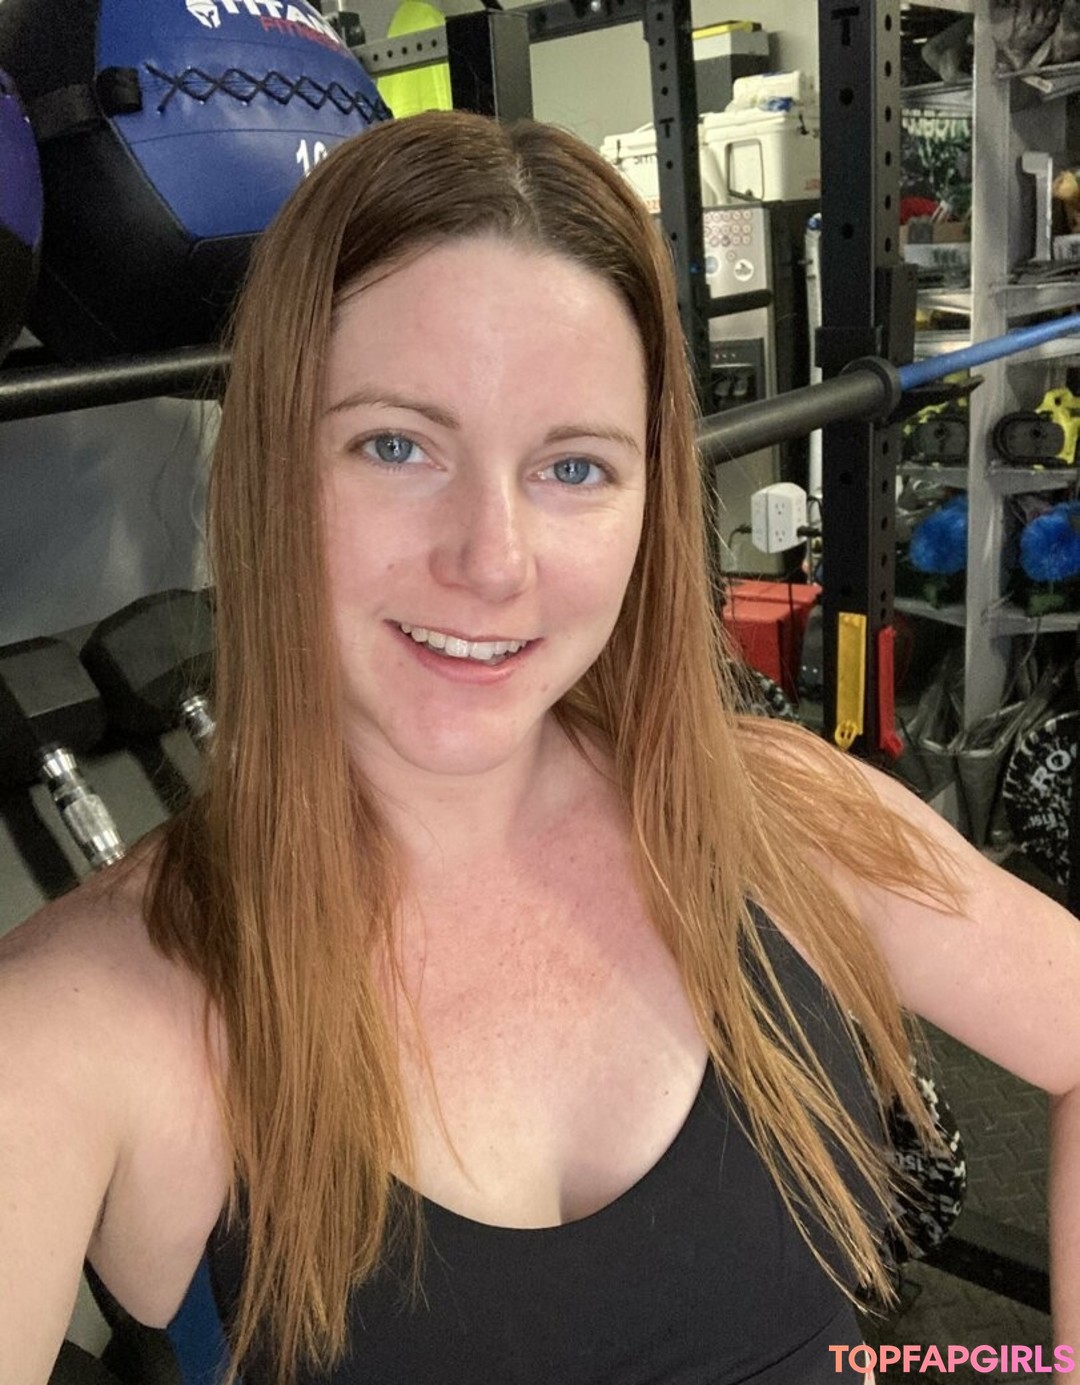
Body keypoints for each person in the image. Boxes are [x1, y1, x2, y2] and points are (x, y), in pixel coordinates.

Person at [2, 109, 1079, 1385]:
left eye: (574, 467)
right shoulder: (94, 1017)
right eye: (396, 445)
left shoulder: (783, 813)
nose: (493, 561)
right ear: (271, 468)